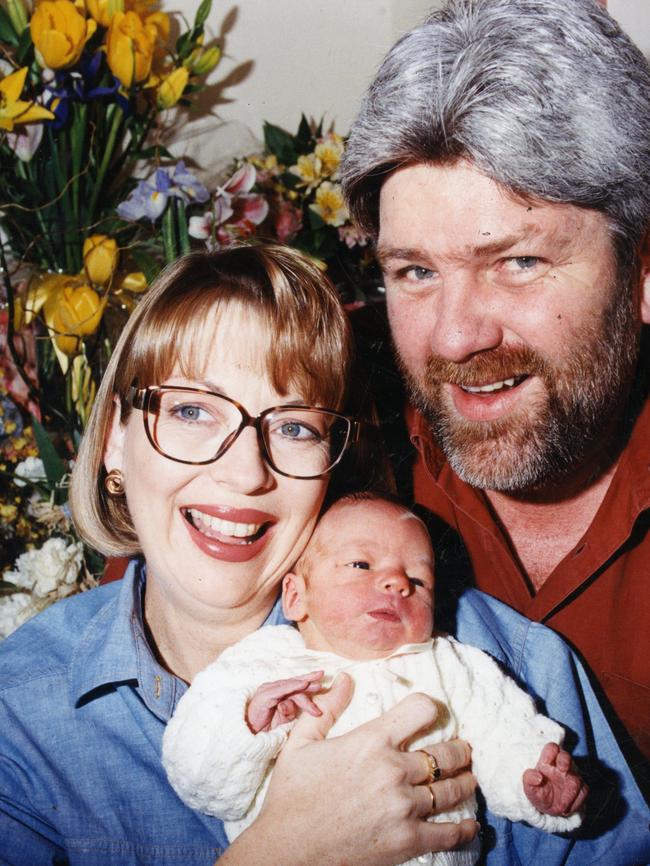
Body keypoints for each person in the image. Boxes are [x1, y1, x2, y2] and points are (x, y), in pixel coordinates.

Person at [0, 246, 481, 866]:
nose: (245, 472)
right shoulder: (18, 716)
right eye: (192, 410)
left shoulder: (487, 661)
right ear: (116, 439)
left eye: (294, 426)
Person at [340, 0, 650, 784]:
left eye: (517, 263)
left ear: (643, 272)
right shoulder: (321, 434)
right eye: (415, 272)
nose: (452, 338)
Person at [162, 493, 589, 866]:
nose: (397, 582)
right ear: (295, 596)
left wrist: (533, 781)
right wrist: (247, 726)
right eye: (362, 564)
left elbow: (504, 731)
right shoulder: (266, 663)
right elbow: (198, 779)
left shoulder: (453, 663)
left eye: (418, 580)